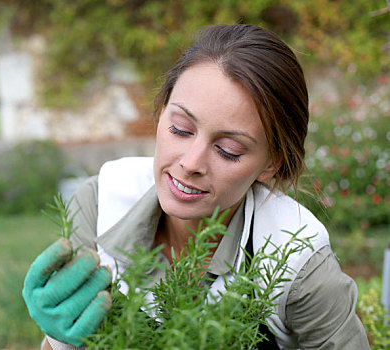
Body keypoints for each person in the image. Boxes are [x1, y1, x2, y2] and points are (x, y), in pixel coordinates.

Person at [22, 24, 370, 349]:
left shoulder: (297, 258)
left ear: (271, 163)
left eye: (228, 150)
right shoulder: (103, 202)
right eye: (180, 129)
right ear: (161, 113)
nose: (190, 162)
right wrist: (59, 340)